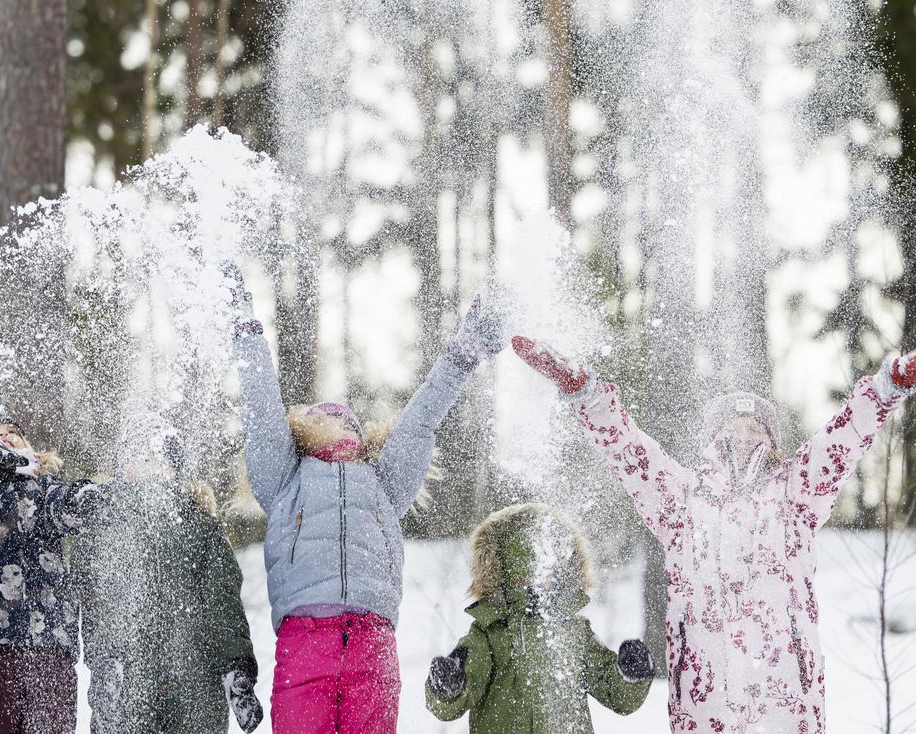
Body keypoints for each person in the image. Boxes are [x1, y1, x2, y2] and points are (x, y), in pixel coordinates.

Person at [511, 335, 916, 733]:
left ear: (773, 444)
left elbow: (840, 442)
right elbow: (630, 452)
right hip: (704, 705)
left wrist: (885, 389)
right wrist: (589, 396)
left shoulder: (797, 495)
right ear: (710, 439)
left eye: (755, 428)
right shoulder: (681, 501)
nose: (743, 436)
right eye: (732, 428)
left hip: (787, 704)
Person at [228, 263, 503, 734]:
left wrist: (462, 355)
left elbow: (419, 422)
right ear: (305, 431)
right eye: (327, 420)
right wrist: (245, 327)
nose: (341, 426)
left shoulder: (383, 482)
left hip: (373, 646)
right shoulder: (285, 478)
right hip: (303, 646)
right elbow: (261, 409)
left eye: (349, 421)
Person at [73, 411, 262, 734]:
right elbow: (96, 610)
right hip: (130, 681)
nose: (147, 464)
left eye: (157, 456)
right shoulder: (103, 532)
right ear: (121, 468)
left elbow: (223, 603)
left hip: (195, 679)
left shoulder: (200, 526)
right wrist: (105, 671)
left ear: (174, 468)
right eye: (137, 456)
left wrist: (236, 667)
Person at [0, 411, 105, 734]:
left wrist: (85, 501)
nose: (8, 436)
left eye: (13, 431)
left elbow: (64, 506)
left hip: (49, 649)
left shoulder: (45, 488)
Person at [425, 503, 654, 733]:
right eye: (522, 578)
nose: (535, 584)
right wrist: (447, 688)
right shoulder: (489, 633)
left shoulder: (574, 631)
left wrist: (630, 676)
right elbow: (454, 701)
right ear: (502, 575)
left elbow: (615, 693)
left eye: (543, 576)